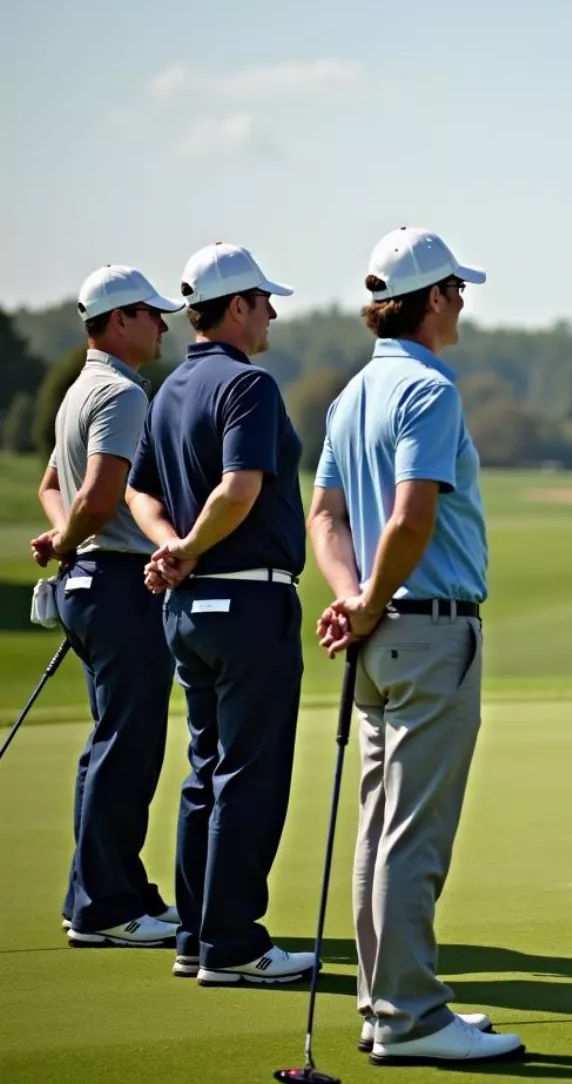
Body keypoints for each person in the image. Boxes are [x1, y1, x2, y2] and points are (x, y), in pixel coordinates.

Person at [308, 227, 524, 1064]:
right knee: (412, 836)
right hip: (428, 630)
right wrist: (366, 599)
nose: (463, 302)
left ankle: (384, 1004)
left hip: (379, 639)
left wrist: (352, 600)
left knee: (380, 827)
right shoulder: (430, 391)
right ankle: (408, 1017)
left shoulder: (350, 395)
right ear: (432, 298)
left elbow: (327, 518)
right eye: (456, 290)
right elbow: (410, 515)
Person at [126, 242, 314, 986]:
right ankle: (234, 945)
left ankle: (198, 938)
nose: (270, 312)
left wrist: (171, 548)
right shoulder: (250, 385)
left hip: (189, 610)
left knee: (206, 771)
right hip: (249, 599)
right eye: (264, 300)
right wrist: (193, 546)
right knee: (250, 775)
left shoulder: (168, 388)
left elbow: (140, 494)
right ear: (236, 307)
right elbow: (240, 488)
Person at [32, 265, 183, 948]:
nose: (162, 324)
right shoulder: (122, 394)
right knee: (128, 747)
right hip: (121, 587)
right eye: (151, 314)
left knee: (109, 746)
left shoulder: (77, 392)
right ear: (119, 321)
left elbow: (50, 487)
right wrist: (70, 536)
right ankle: (107, 906)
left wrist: (63, 542)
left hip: (89, 583)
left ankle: (94, 890)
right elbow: (98, 497)